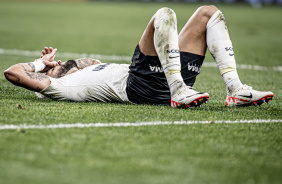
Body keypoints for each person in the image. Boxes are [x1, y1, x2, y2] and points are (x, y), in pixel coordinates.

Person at [4, 6, 273, 108]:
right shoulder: (60, 88)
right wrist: (41, 66)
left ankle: (235, 89)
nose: (58, 62)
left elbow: (83, 63)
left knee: (208, 13)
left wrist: (54, 63)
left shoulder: (86, 69)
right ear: (46, 79)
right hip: (141, 85)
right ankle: (179, 91)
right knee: (163, 15)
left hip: (161, 76)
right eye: (54, 67)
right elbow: (13, 72)